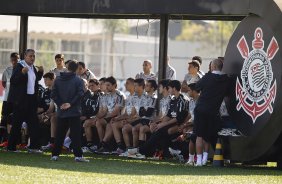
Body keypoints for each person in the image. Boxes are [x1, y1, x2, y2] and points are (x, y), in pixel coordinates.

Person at [51, 60, 89, 162]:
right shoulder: (78, 80)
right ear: (77, 68)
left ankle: (55, 155)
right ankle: (78, 156)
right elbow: (80, 94)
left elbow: (53, 94)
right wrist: (70, 104)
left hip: (61, 111)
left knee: (59, 134)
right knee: (76, 135)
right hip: (74, 111)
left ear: (67, 67)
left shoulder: (58, 79)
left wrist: (60, 104)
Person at [194, 58, 229, 166]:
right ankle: (204, 159)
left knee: (199, 135)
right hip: (213, 111)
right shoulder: (226, 79)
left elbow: (197, 87)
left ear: (213, 67)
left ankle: (199, 161)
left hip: (201, 108)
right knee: (207, 136)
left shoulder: (208, 77)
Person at [7, 49, 44, 153]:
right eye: (30, 56)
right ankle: (11, 147)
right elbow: (13, 80)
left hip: (31, 100)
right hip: (20, 100)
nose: (32, 58)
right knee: (17, 124)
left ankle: (34, 147)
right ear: (25, 56)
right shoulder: (19, 65)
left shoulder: (33, 67)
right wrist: (22, 73)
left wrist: (40, 72)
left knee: (34, 124)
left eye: (34, 56)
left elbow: (35, 81)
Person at [94, 76, 125, 153]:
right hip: (109, 117)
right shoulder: (106, 96)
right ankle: (102, 145)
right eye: (106, 85)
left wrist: (105, 117)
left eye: (108, 85)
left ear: (114, 86)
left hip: (118, 118)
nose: (106, 87)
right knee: (98, 122)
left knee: (109, 123)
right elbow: (104, 111)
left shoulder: (119, 96)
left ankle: (104, 145)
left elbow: (115, 112)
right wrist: (97, 117)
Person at [0, 52, 19, 144]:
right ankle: (3, 139)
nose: (15, 61)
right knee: (4, 118)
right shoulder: (7, 70)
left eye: (16, 59)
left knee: (13, 119)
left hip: (16, 100)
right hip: (7, 99)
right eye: (13, 60)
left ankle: (13, 140)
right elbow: (4, 83)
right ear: (11, 60)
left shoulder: (21, 70)